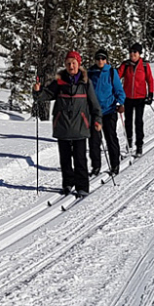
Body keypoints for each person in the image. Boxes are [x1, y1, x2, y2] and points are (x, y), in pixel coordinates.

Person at [33, 51, 102, 197]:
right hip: (62, 126)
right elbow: (45, 96)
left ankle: (82, 186)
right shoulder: (59, 82)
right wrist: (37, 92)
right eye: (68, 63)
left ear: (79, 64)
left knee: (80, 159)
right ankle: (67, 184)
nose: (71, 66)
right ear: (65, 65)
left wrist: (97, 120)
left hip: (80, 127)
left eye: (74, 63)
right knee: (65, 159)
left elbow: (94, 104)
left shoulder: (85, 82)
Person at [88, 48, 126, 176]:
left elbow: (119, 91)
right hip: (94, 112)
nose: (100, 61)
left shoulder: (111, 72)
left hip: (109, 110)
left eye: (103, 58)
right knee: (94, 141)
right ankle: (96, 167)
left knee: (111, 138)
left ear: (106, 60)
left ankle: (115, 165)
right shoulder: (90, 73)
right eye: (98, 58)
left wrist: (119, 103)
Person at [117, 42, 154, 157]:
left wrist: (150, 94)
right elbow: (117, 77)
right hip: (127, 97)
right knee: (128, 121)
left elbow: (150, 80)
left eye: (135, 52)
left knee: (138, 121)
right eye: (131, 52)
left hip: (140, 98)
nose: (132, 54)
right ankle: (129, 144)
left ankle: (139, 146)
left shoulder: (144, 65)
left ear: (139, 53)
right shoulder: (126, 65)